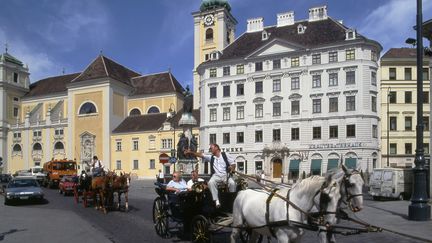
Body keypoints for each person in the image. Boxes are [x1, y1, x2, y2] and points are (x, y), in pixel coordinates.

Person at [185, 143, 236, 208]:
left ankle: (232, 199)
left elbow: (233, 164)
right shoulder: (211, 157)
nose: (210, 150)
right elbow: (201, 155)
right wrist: (191, 152)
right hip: (216, 176)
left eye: (211, 148)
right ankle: (216, 200)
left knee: (232, 183)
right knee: (211, 182)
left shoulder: (225, 155)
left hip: (226, 175)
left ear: (216, 148)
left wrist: (232, 168)